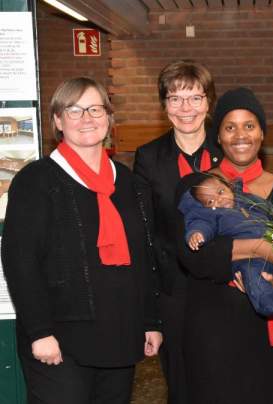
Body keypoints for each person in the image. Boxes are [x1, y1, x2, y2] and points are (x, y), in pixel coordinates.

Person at [2, 77, 162, 404]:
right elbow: (21, 262)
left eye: (95, 109)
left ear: (109, 117)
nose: (86, 118)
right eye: (73, 110)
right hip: (59, 339)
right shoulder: (35, 180)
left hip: (119, 332)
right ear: (58, 121)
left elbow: (144, 259)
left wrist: (150, 321)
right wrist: (39, 331)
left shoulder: (131, 184)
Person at [175, 87, 273, 404]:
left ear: (262, 134)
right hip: (213, 329)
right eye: (230, 127)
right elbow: (194, 256)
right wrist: (260, 248)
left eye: (249, 125)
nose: (240, 135)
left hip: (270, 328)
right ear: (219, 137)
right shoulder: (197, 186)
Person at [133, 60, 222, 404]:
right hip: (174, 289)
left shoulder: (229, 149)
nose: (186, 108)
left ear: (208, 102)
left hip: (225, 285)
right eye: (175, 98)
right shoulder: (149, 157)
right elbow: (144, 231)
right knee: (181, 381)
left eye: (195, 98)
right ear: (164, 105)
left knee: (224, 375)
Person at [178, 173, 273, 321]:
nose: (219, 200)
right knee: (252, 276)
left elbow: (267, 208)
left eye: (221, 192)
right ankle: (267, 304)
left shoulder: (247, 200)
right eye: (210, 201)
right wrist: (196, 233)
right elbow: (201, 223)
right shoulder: (213, 215)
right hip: (247, 259)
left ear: (229, 187)